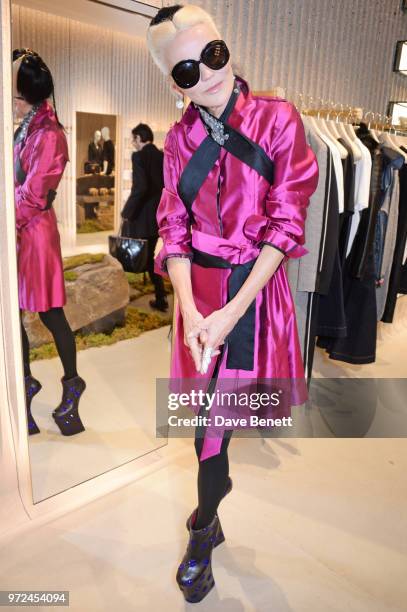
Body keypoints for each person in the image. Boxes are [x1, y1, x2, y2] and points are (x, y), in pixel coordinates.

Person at [146, 4, 319, 603]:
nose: (208, 74)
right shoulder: (176, 139)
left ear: (225, 46)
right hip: (198, 299)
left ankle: (200, 529)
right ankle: (211, 518)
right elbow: (174, 229)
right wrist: (192, 310)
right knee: (201, 426)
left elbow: (285, 223)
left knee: (214, 432)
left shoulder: (278, 120)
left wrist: (230, 311)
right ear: (175, 83)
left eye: (213, 55)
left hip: (250, 293)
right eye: (189, 70)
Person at [13, 48, 86, 438]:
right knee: (15, 316)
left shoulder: (50, 135)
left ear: (28, 95)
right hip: (18, 231)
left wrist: (7, 219)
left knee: (49, 313)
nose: (12, 102)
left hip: (35, 234)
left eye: (15, 96)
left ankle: (72, 384)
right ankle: (25, 383)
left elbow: (34, 195)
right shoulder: (24, 128)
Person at [121, 123, 168, 311]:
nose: (133, 143)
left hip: (142, 215)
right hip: (158, 214)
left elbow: (140, 188)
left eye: (133, 139)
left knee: (144, 257)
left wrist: (127, 212)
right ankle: (159, 293)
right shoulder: (161, 156)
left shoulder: (138, 156)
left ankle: (160, 297)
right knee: (149, 255)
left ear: (139, 139)